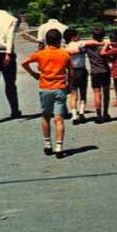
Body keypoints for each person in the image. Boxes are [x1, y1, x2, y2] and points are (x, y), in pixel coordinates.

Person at [21, 28, 74, 159]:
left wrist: (34, 74)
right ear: (59, 41)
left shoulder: (40, 54)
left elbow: (24, 63)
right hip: (60, 88)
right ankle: (59, 146)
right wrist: (70, 85)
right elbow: (71, 72)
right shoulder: (65, 54)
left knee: (45, 116)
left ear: (46, 41)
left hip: (44, 88)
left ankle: (47, 143)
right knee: (59, 118)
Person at [62, 28, 102, 125]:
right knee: (83, 94)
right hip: (81, 70)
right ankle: (82, 112)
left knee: (73, 94)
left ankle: (74, 115)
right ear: (73, 37)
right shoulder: (80, 44)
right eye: (78, 35)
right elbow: (91, 42)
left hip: (71, 72)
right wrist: (102, 43)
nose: (79, 36)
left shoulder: (64, 47)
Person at [84, 26, 112, 123]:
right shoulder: (105, 46)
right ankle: (105, 113)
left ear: (92, 35)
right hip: (105, 70)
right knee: (106, 93)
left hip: (95, 71)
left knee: (97, 93)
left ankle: (98, 115)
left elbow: (83, 44)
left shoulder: (88, 46)